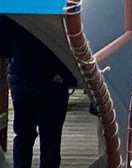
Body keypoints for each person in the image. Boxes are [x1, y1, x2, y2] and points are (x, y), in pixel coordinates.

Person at [0, 15, 77, 168]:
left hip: (24, 76)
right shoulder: (62, 7)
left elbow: (3, 48)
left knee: (23, 136)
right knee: (51, 139)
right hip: (54, 78)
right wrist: (66, 75)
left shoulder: (13, 10)